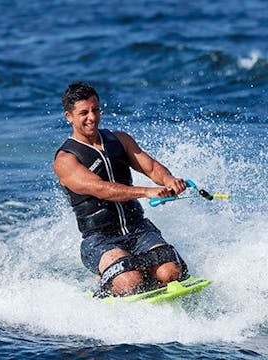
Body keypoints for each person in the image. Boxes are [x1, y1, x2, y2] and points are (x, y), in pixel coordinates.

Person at [53, 81, 189, 297]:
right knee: (130, 282)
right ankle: (107, 278)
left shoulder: (119, 140)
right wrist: (147, 191)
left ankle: (137, 269)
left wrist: (169, 180)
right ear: (69, 116)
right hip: (99, 240)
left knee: (170, 273)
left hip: (139, 229)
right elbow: (100, 189)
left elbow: (151, 167)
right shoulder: (65, 159)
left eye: (95, 110)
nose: (92, 117)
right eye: (84, 113)